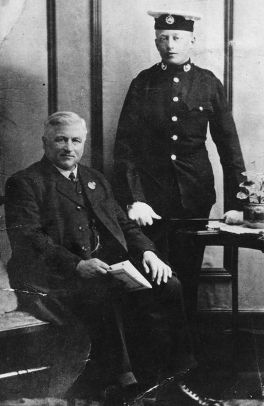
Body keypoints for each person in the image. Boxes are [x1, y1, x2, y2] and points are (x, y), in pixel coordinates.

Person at [5, 112, 220, 406]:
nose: (69, 147)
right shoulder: (25, 182)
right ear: (45, 142)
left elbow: (125, 225)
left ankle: (176, 374)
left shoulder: (95, 179)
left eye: (76, 140)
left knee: (169, 285)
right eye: (61, 140)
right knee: (105, 298)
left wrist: (148, 252)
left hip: (105, 269)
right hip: (53, 277)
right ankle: (124, 382)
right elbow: (29, 238)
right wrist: (77, 265)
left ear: (83, 144)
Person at [113, 10, 245, 317]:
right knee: (152, 275)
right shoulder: (143, 83)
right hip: (151, 200)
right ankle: (155, 354)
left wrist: (237, 204)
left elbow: (229, 147)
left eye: (177, 38)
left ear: (192, 40)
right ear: (156, 41)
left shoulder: (208, 83)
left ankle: (187, 353)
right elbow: (125, 147)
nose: (170, 44)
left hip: (194, 197)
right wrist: (136, 200)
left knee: (187, 275)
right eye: (163, 38)